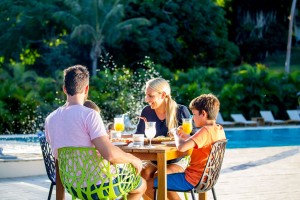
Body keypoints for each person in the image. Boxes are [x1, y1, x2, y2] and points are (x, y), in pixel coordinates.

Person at [45, 65, 146, 200]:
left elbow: (58, 157)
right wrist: (134, 160)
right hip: (100, 185)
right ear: (86, 89)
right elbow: (110, 154)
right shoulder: (89, 115)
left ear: (64, 89)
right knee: (141, 185)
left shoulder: (50, 119)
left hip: (73, 186)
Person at [152, 93, 226, 199]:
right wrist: (186, 136)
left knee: (156, 179)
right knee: (160, 177)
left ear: (203, 114)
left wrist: (176, 134)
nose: (193, 119)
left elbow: (181, 148)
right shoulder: (218, 129)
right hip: (208, 179)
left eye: (194, 115)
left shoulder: (205, 131)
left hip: (192, 179)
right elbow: (199, 141)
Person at [135, 77, 195, 198]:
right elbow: (139, 136)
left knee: (161, 176)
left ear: (163, 95)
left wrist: (181, 135)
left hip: (177, 159)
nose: (147, 99)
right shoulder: (147, 111)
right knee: (142, 176)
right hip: (154, 159)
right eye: (146, 95)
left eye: (150, 96)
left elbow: (193, 138)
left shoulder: (180, 111)